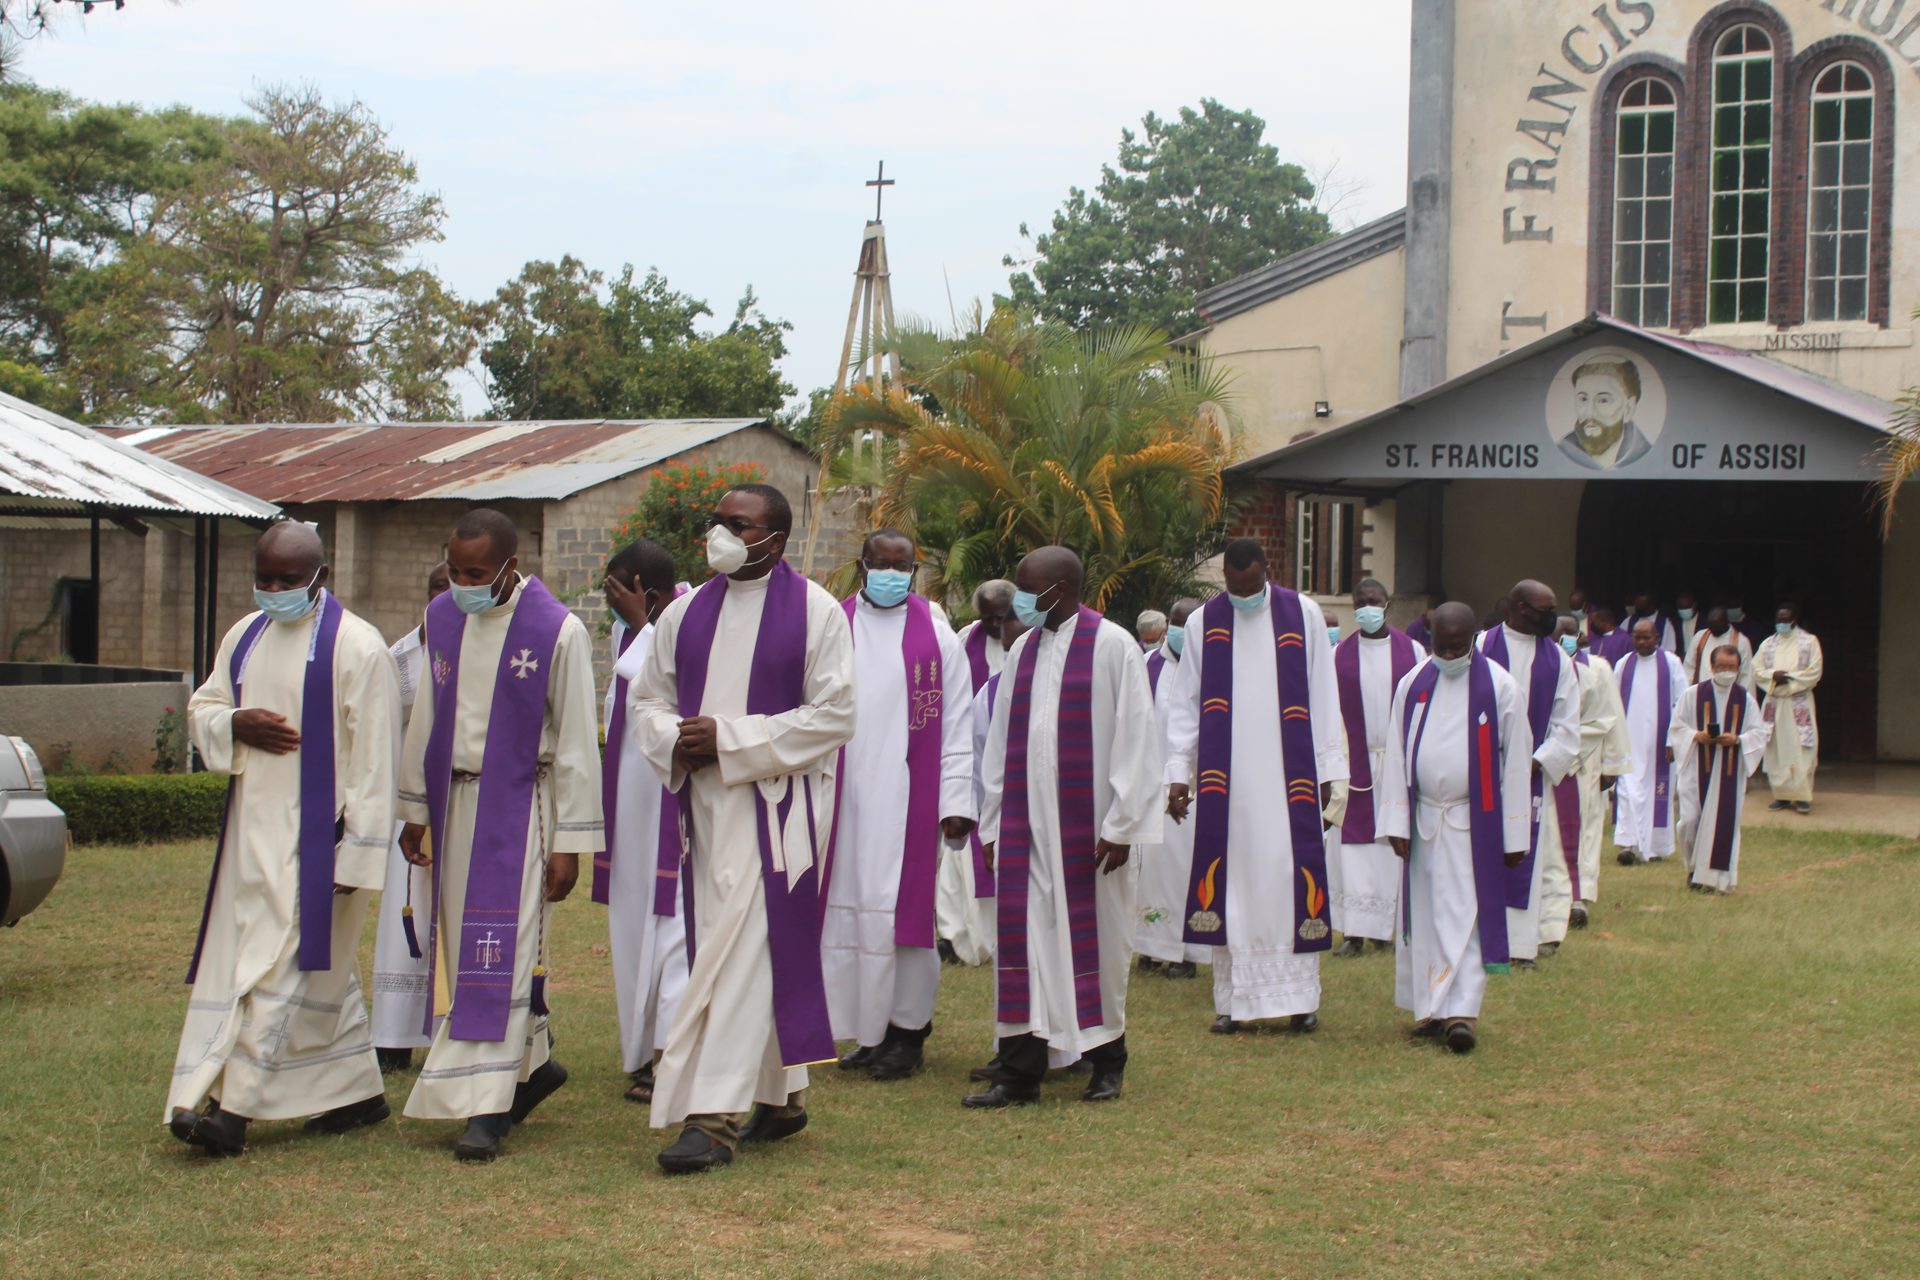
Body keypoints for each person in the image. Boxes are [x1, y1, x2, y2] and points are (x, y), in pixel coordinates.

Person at [631, 483, 855, 1173]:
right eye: (718, 521)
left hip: (781, 810)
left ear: (774, 541)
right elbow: (648, 697)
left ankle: (712, 1117)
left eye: (738, 524)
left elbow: (835, 714)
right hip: (706, 808)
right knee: (742, 948)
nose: (720, 533)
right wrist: (676, 738)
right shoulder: (686, 611)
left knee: (741, 949)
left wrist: (728, 739)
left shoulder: (816, 612)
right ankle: (781, 1096)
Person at [167, 523, 401, 1157]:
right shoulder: (245, 636)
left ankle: (230, 1112)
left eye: (287, 581)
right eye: (263, 578)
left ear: (319, 577)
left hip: (320, 840)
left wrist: (358, 852)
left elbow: (377, 759)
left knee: (278, 967)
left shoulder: (358, 646)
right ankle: (356, 1093)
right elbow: (202, 707)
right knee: (313, 974)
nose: (273, 591)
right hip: (251, 834)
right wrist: (234, 722)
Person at [397, 508, 602, 1162]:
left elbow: (574, 741)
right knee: (465, 951)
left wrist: (573, 841)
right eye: (454, 570)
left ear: (511, 567)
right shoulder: (442, 620)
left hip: (521, 807)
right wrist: (415, 808)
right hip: (455, 806)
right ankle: (533, 1067)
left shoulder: (556, 631)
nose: (462, 583)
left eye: (476, 573)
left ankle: (486, 1107)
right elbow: (424, 716)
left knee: (500, 953)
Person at [965, 546, 1162, 1108]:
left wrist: (1123, 825)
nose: (1019, 601)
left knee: (1098, 942)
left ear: (1063, 589)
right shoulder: (1023, 650)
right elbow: (1000, 745)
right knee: (1024, 944)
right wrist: (993, 824)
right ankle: (1020, 1071)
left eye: (1030, 589)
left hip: (1091, 830)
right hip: (1027, 830)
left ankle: (1107, 1061)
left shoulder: (1114, 646)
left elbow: (1138, 740)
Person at [1164, 539, 1348, 1035]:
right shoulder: (1206, 622)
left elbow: (1322, 690)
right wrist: (1178, 772)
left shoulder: (1302, 613)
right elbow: (1187, 701)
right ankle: (1234, 1002)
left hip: (1291, 777)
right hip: (1230, 784)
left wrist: (1329, 768)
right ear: (1223, 576)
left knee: (1290, 876)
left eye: (1251, 586)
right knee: (1234, 880)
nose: (1242, 595)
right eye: (1233, 586)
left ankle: (1300, 999)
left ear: (1268, 571)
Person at [823, 529, 975, 1082]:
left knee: (903, 917)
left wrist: (956, 799)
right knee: (847, 907)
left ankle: (907, 1033)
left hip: (909, 800)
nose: (892, 574)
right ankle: (868, 1029)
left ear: (915, 570)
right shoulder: (831, 626)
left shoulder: (937, 637)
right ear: (861, 566)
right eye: (881, 564)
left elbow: (959, 724)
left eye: (903, 566)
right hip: (840, 796)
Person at [1377, 602, 1531, 1054]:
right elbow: (1397, 751)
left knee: (1467, 916)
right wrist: (1396, 819)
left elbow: (1517, 763)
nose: (1448, 655)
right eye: (1440, 647)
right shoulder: (1413, 683)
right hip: (1424, 818)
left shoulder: (1500, 687)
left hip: (1473, 822)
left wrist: (1514, 833)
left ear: (1472, 639)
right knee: (1424, 917)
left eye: (1457, 647)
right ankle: (1431, 1008)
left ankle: (1462, 1012)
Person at [597, 540, 688, 1108]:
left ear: (645, 592)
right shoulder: (621, 632)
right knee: (634, 930)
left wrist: (642, 625)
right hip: (629, 806)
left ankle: (670, 1054)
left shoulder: (687, 620)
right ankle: (641, 1046)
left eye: (616, 592)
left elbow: (673, 689)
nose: (611, 606)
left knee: (674, 934)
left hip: (670, 802)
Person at [372, 560, 450, 1073]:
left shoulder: (476, 650)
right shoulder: (398, 658)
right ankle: (394, 1034)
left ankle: (448, 1027)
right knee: (406, 918)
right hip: (407, 809)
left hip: (458, 804)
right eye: (437, 587)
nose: (445, 595)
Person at [1475, 581, 1579, 964]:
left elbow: (1568, 729)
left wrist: (1527, 763)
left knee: (1526, 854)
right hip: (1481, 774)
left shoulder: (1558, 662)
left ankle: (1520, 946)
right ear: (1519, 608)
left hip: (1531, 777)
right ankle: (1480, 938)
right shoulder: (1481, 646)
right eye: (1544, 609)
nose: (1551, 617)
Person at [1328, 578, 1424, 957]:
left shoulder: (1412, 650)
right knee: (1351, 848)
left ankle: (1387, 928)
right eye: (1360, 602)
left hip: (1395, 761)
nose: (1367, 608)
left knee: (1391, 842)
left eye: (1374, 601)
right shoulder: (1339, 655)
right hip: (1355, 765)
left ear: (1386, 604)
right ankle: (1353, 931)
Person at [941, 578, 1014, 964]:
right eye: (988, 619)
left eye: (1001, 618)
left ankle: (996, 937)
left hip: (1012, 763)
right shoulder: (965, 639)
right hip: (971, 757)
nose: (995, 627)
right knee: (957, 858)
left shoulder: (1031, 640)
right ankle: (956, 935)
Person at [1135, 598, 1207, 978]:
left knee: (1186, 870)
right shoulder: (1147, 666)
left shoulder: (1211, 669)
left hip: (1193, 789)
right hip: (1152, 786)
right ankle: (1149, 944)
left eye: (1188, 624)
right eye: (1175, 623)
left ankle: (1187, 953)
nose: (1179, 631)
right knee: (1150, 871)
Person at [1550, 616, 1629, 932]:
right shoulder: (1544, 666)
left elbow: (1614, 715)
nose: (1566, 638)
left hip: (1588, 759)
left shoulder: (1598, 668)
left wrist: (1613, 765)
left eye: (1571, 633)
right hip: (1552, 759)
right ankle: (1554, 895)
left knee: (1587, 825)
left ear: (1579, 636)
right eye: (1561, 634)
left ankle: (1579, 897)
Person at [1672, 645, 1771, 893]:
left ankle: (1716, 879)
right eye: (1722, 667)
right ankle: (1694, 866)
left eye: (1732, 668)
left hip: (1728, 769)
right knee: (1690, 820)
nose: (1726, 672)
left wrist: (1737, 740)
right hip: (1696, 766)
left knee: (1723, 822)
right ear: (1712, 667)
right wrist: (1697, 735)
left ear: (1738, 669)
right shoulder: (1692, 695)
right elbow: (1677, 728)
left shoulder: (1745, 699)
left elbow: (1759, 733)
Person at [1612, 618, 1687, 867]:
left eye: (1647, 637)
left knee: (1656, 791)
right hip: (1629, 741)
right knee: (1626, 790)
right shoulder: (1624, 664)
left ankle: (1654, 846)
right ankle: (1628, 844)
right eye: (1637, 637)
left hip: (1659, 745)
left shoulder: (1671, 664)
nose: (1641, 642)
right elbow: (1613, 704)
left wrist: (1672, 739)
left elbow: (1682, 703)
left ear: (1657, 638)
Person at [1755, 603, 1823, 815]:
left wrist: (1790, 680)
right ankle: (1782, 795)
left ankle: (1802, 797)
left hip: (1798, 702)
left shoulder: (1809, 642)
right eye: (1779, 620)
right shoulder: (1767, 644)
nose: (1781, 624)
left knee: (1801, 749)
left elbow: (1815, 671)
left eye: (1786, 620)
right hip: (1775, 703)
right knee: (1777, 750)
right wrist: (1774, 677)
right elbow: (1756, 670)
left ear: (1794, 620)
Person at [1558, 356, 1653, 471]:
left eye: (1603, 400)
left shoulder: (1644, 454)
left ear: (1629, 408)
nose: (1589, 412)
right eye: (1583, 399)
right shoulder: (1563, 450)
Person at [955, 579, 1015, 686]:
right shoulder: (967, 637)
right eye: (988, 618)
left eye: (1000, 618)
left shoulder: (1027, 637)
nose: (994, 624)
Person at [1685, 606, 1754, 694]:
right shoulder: (1700, 637)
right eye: (1711, 627)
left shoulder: (1741, 642)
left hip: (1730, 696)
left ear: (1726, 622)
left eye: (1717, 627)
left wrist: (1742, 700)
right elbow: (1689, 667)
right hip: (1701, 695)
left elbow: (1746, 677)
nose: (1712, 631)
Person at [1624, 591, 1680, 656]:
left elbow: (1670, 649)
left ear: (1652, 605)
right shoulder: (1629, 621)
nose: (1639, 608)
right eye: (1638, 606)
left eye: (1643, 606)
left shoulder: (1665, 623)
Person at [1675, 590, 1700, 658]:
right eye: (1680, 608)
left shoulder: (1705, 622)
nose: (1683, 610)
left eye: (1686, 608)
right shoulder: (1675, 623)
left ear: (1694, 605)